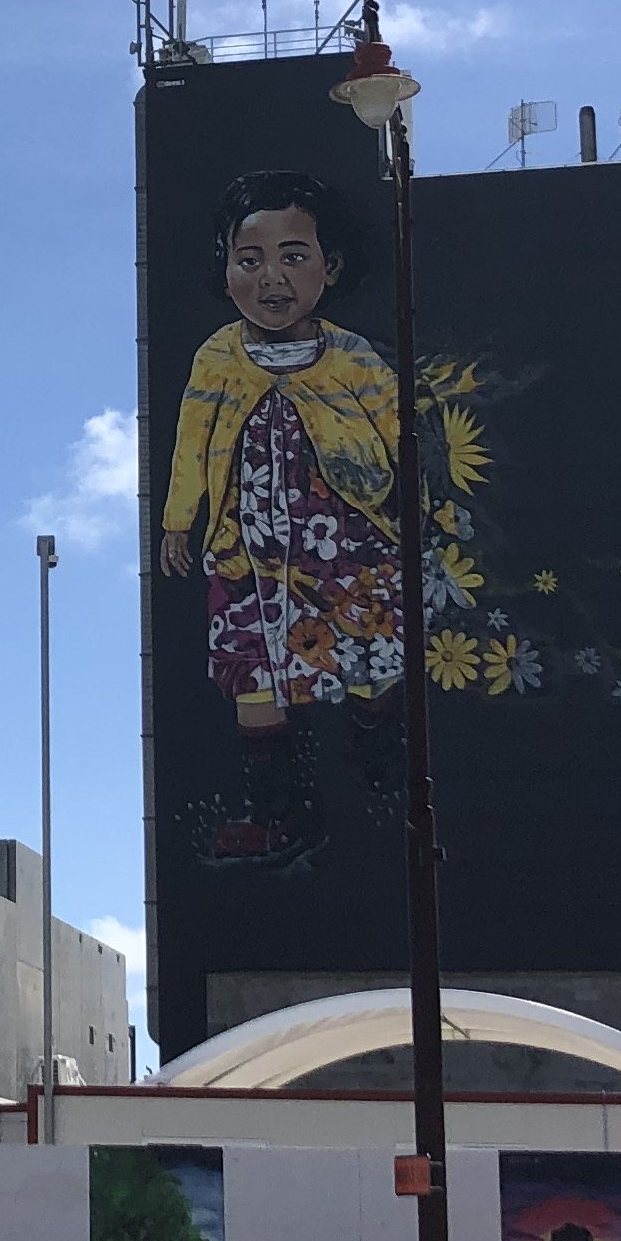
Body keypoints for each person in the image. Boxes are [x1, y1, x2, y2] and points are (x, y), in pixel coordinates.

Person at [156, 173, 411, 866]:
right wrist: (179, 522)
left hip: (347, 548)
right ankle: (275, 814)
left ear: (329, 267)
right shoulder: (216, 356)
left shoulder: (355, 356)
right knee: (252, 674)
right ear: (226, 268)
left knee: (368, 658)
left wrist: (411, 514)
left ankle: (383, 773)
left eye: (294, 257)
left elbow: (401, 434)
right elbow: (189, 438)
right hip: (246, 553)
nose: (272, 278)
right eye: (250, 260)